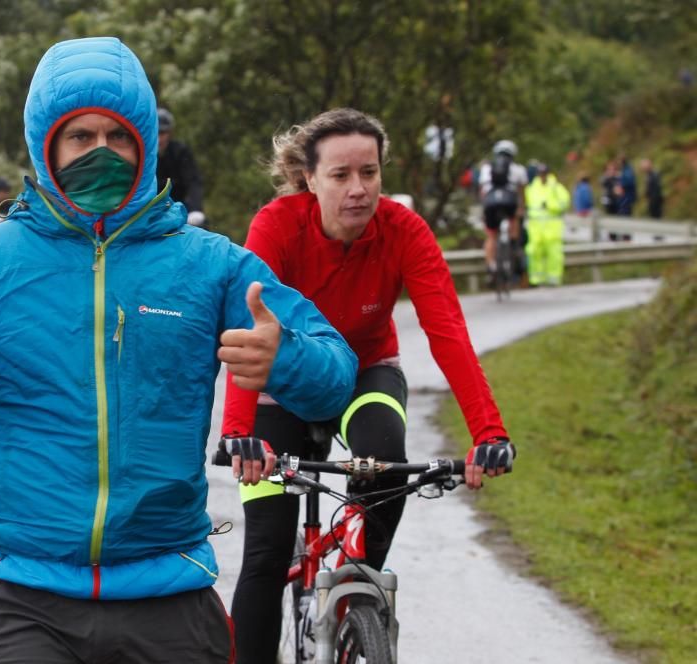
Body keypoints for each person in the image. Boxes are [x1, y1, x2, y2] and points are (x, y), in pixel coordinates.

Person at [0, 36, 357, 663]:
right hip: (14, 589)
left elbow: (335, 367)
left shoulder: (208, 264)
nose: (101, 153)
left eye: (118, 137)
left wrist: (286, 357)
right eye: (80, 137)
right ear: (47, 147)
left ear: (145, 146)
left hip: (166, 584)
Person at [222, 108, 516, 664]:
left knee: (384, 461)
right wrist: (240, 432)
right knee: (264, 555)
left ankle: (360, 592)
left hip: (366, 372)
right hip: (280, 386)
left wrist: (488, 432)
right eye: (340, 175)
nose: (358, 189)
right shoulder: (277, 225)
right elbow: (249, 330)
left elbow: (448, 333)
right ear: (310, 179)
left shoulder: (405, 230)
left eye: (370, 173)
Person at [478, 139, 528, 279]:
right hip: (509, 202)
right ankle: (513, 246)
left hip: (490, 203)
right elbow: (521, 193)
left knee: (492, 236)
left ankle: (490, 266)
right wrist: (521, 209)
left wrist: (484, 209)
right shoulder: (518, 169)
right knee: (515, 220)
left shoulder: (487, 169)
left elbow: (482, 191)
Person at [156, 107, 207, 228]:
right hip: (153, 213)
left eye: (162, 133)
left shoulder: (181, 152)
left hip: (182, 211)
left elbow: (193, 182)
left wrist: (195, 209)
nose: (158, 139)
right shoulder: (143, 154)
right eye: (155, 133)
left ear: (169, 133)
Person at [524, 164, 571, 286]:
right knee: (534, 252)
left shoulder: (556, 187)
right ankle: (536, 279)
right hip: (536, 227)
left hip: (552, 227)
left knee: (554, 253)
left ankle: (553, 279)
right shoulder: (532, 188)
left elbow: (564, 203)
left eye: (544, 173)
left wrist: (550, 205)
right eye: (540, 173)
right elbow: (526, 204)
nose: (542, 176)